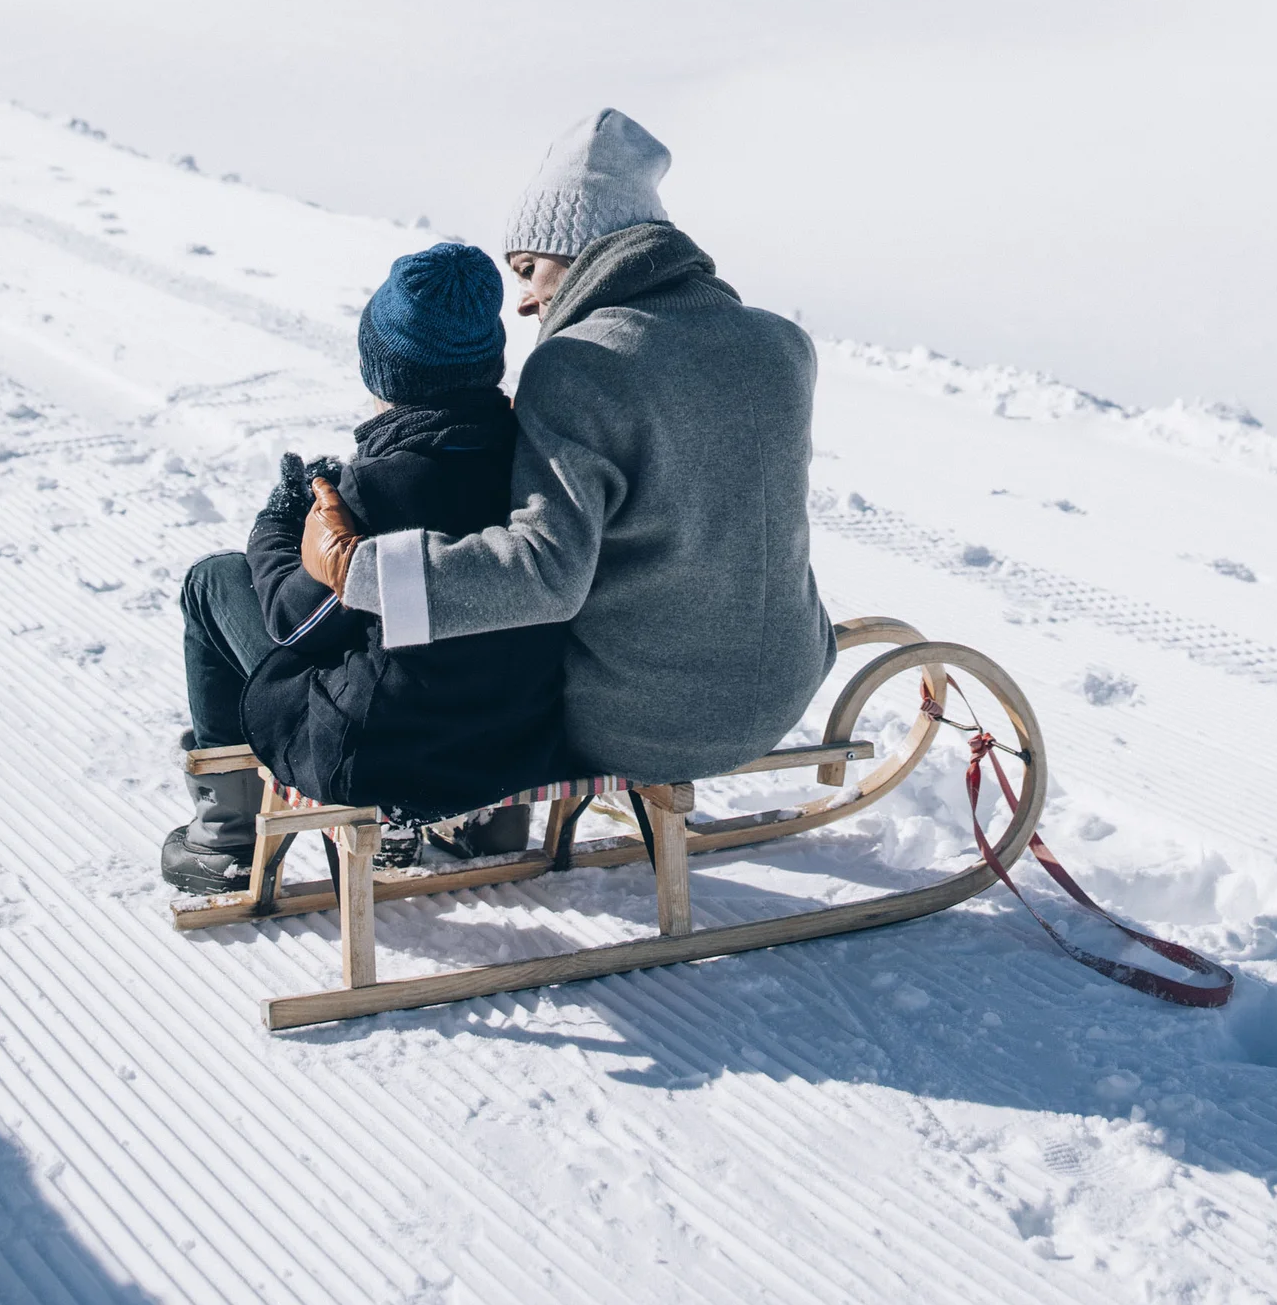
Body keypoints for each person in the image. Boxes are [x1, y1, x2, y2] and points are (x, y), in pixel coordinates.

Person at [303, 109, 836, 790]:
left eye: (528, 268)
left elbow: (543, 574)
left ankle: (478, 817)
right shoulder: (781, 344)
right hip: (786, 690)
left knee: (502, 657)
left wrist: (361, 570)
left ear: (582, 248)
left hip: (645, 723)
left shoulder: (581, 363)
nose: (524, 301)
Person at [163, 243, 568, 894]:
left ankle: (225, 836)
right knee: (409, 632)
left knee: (213, 580)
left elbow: (296, 624)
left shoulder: (381, 488)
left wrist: (279, 523)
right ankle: (491, 826)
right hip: (515, 742)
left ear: (383, 370)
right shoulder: (538, 470)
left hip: (394, 758)